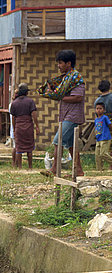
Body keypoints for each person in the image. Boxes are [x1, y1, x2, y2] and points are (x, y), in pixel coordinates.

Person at [38, 49, 85, 177]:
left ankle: (53, 169)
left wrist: (59, 97)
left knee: (58, 140)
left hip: (72, 115)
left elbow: (78, 97)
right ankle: (79, 171)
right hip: (66, 114)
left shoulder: (76, 78)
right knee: (70, 145)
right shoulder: (66, 79)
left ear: (68, 63)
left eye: (60, 63)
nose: (58, 66)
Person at [10, 83, 40, 169]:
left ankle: (20, 167)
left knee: (19, 147)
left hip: (18, 126)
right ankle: (30, 167)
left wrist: (15, 129)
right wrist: (37, 126)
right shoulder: (30, 101)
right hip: (28, 126)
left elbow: (13, 118)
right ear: (27, 92)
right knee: (29, 147)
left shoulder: (14, 103)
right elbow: (34, 115)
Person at [94, 102, 112, 171]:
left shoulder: (105, 117)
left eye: (100, 108)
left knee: (103, 154)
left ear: (104, 110)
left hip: (105, 138)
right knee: (97, 156)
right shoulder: (96, 119)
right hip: (98, 139)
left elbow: (110, 125)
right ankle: (99, 170)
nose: (98, 110)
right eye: (97, 108)